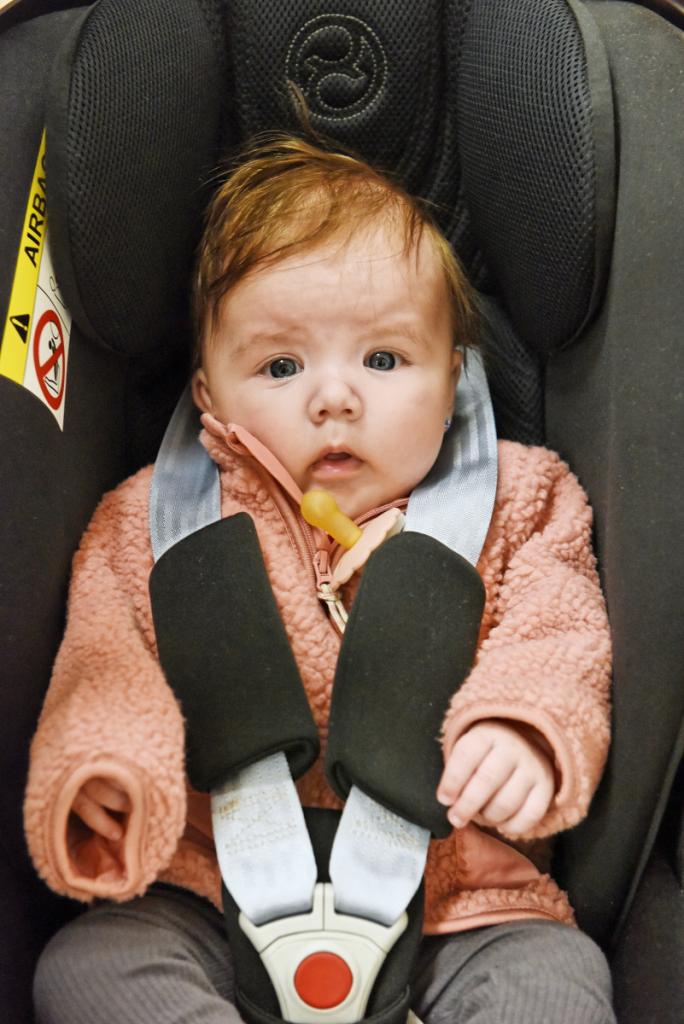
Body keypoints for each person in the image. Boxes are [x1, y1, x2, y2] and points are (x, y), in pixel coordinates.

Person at [26, 135, 615, 1024]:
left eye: (383, 360)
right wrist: (107, 770)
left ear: (454, 379)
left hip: (456, 898)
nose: (334, 398)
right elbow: (105, 667)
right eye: (280, 366)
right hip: (205, 886)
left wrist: (523, 728)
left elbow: (559, 633)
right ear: (208, 392)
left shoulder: (521, 502)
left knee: (555, 981)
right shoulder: (153, 521)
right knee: (85, 969)